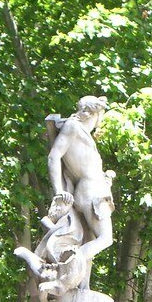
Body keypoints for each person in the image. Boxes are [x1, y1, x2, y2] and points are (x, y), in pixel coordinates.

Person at [46, 95, 114, 263]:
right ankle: (67, 265)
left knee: (89, 239)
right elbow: (54, 156)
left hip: (95, 190)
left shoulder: (83, 133)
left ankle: (83, 286)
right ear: (94, 113)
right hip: (90, 192)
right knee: (106, 238)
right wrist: (59, 192)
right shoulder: (73, 127)